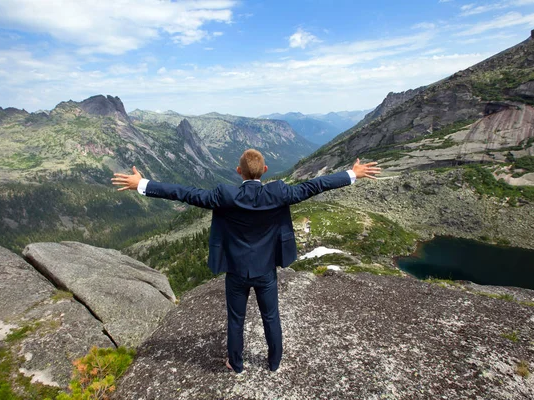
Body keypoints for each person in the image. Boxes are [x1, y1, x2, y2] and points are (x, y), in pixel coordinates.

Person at [111, 149, 380, 373]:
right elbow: (315, 185)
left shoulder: (225, 196)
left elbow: (185, 193)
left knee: (236, 319)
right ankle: (274, 363)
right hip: (266, 271)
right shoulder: (278, 193)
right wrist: (352, 174)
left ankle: (236, 364)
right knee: (271, 317)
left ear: (238, 172)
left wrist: (142, 184)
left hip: (236, 272)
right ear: (265, 170)